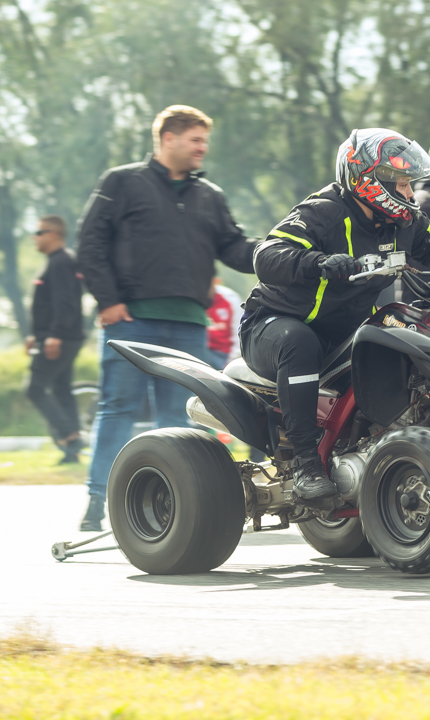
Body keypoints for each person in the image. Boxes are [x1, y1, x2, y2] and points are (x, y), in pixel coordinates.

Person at [240, 128, 430, 499]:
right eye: (403, 184)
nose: (410, 193)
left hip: (344, 333)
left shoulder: (402, 221)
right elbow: (266, 256)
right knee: (299, 343)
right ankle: (305, 465)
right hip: (273, 325)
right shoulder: (323, 211)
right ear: (371, 181)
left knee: (400, 339)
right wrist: (319, 263)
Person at [76, 105, 256, 531]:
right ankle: (97, 503)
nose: (202, 148)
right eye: (195, 140)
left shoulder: (209, 195)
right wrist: (107, 301)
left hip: (190, 325)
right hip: (131, 321)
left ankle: (170, 504)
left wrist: (279, 251)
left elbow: (233, 247)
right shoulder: (121, 183)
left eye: (204, 141)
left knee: (180, 416)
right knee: (118, 409)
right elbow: (90, 243)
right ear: (168, 138)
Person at [25, 215, 85, 464]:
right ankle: (72, 449)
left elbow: (65, 303)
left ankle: (70, 436)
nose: (35, 237)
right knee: (61, 389)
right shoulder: (57, 261)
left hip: (61, 338)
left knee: (35, 388)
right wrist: (36, 335)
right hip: (59, 336)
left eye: (39, 232)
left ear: (53, 234)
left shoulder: (61, 262)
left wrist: (55, 335)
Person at [206, 277, 242, 370]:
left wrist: (231, 361)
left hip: (222, 355)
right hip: (199, 349)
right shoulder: (194, 297)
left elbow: (238, 331)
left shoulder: (230, 298)